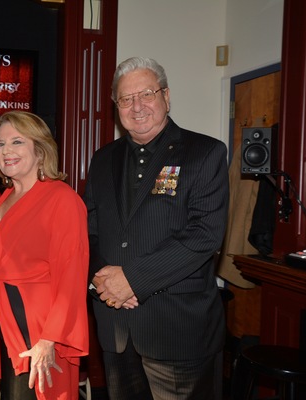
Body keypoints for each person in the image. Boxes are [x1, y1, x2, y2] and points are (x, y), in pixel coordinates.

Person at [83, 57, 229, 400]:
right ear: (116, 105)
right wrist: (100, 277)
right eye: (125, 99)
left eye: (146, 94)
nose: (136, 107)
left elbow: (204, 234)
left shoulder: (204, 153)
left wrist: (132, 279)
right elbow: (87, 229)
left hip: (178, 328)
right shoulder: (102, 159)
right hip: (116, 326)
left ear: (166, 96)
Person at [0, 111, 90, 400]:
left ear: (40, 151)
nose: (6, 151)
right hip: (8, 324)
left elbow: (71, 277)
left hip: (41, 330)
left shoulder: (61, 198)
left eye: (17, 142)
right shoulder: (5, 196)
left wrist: (49, 340)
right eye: (0, 144)